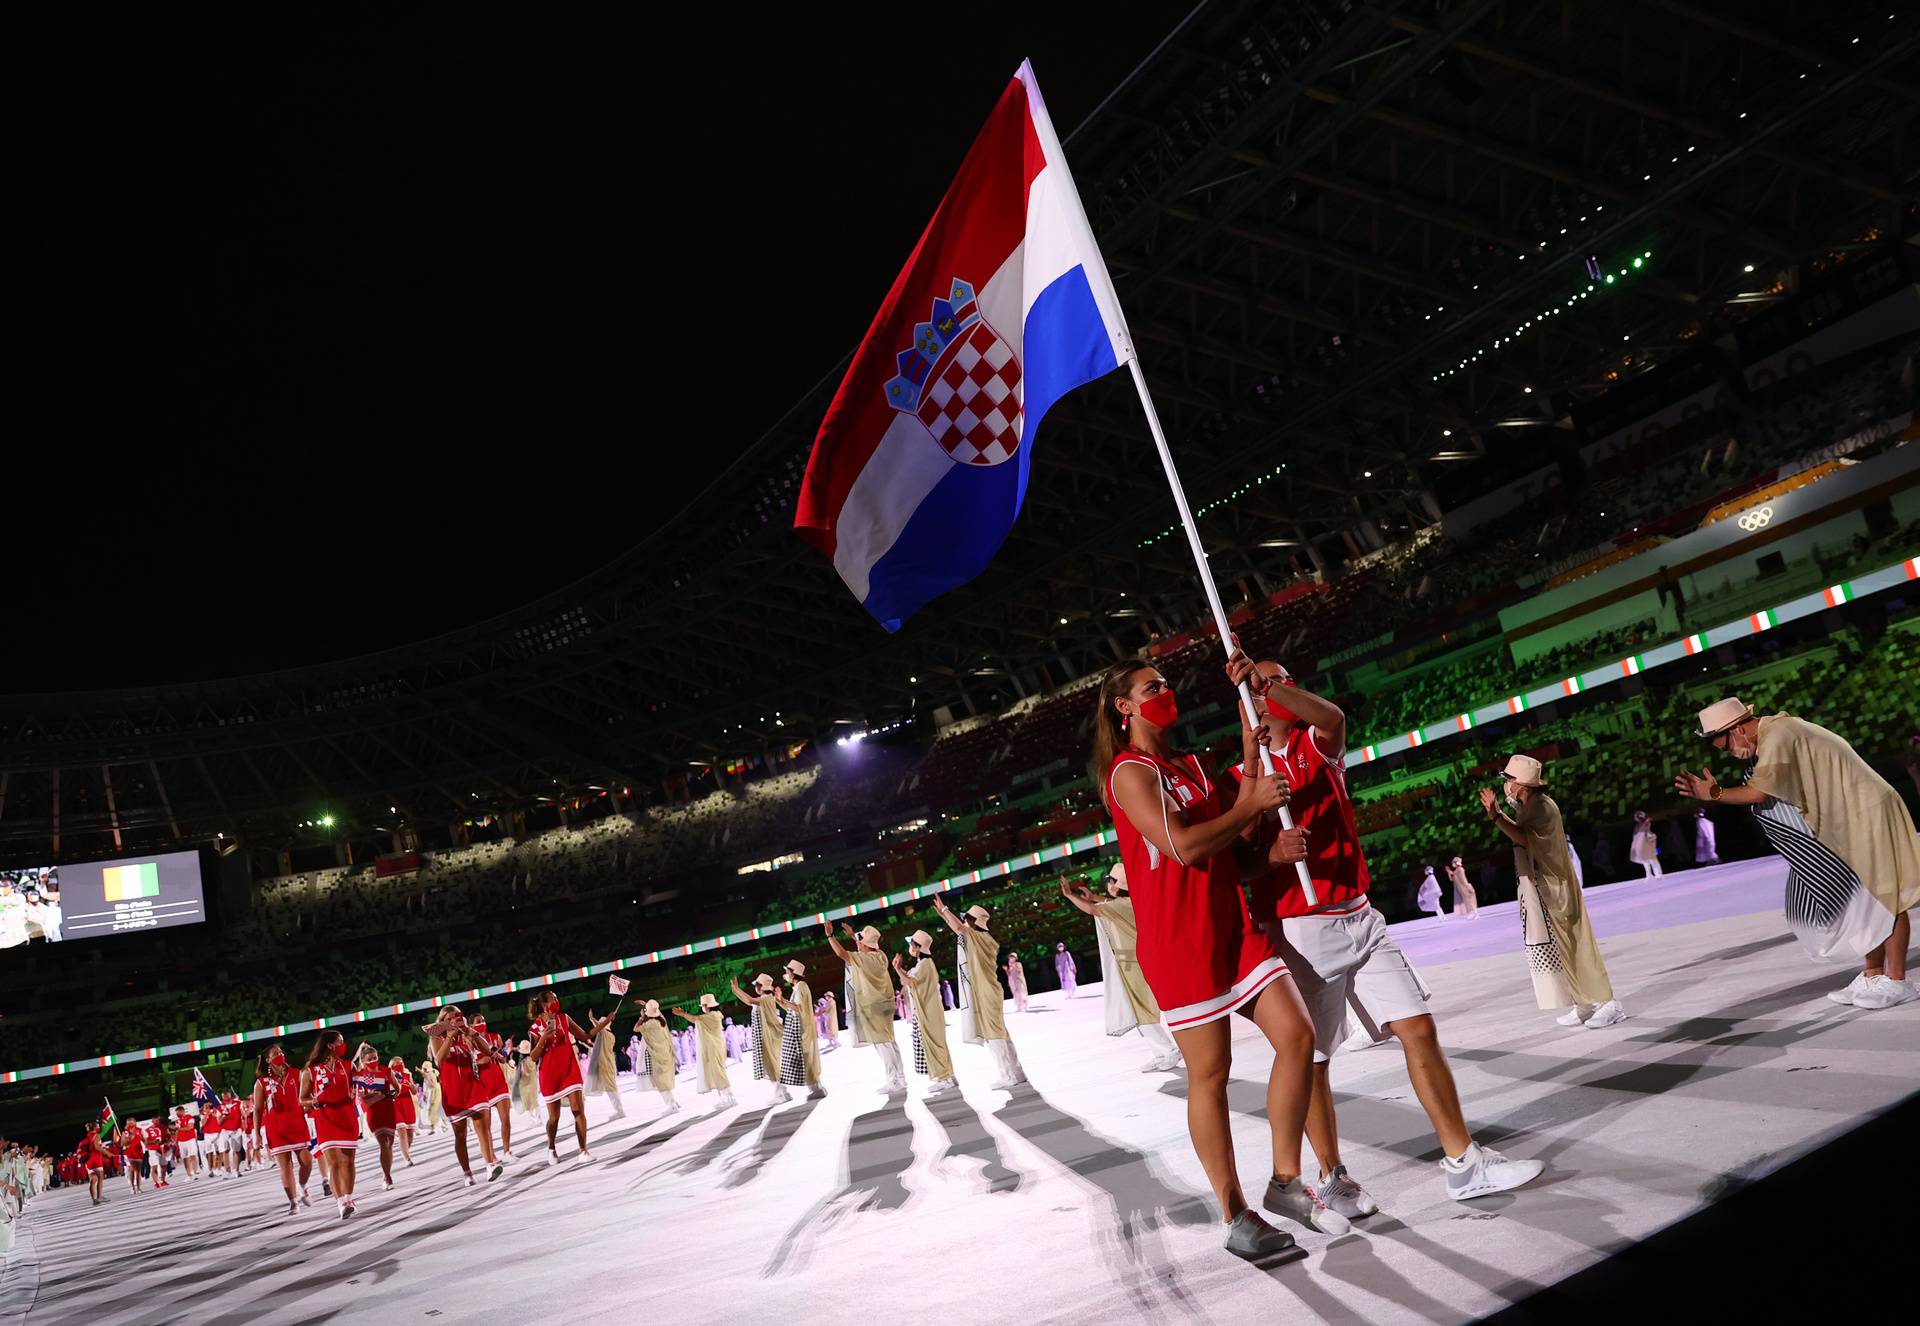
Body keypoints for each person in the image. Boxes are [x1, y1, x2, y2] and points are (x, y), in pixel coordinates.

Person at [1231, 651, 1544, 1214]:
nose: (1280, 690)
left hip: (1361, 915)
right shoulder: (1244, 777)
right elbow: (1238, 862)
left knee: (1419, 1028)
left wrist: (1266, 684)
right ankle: (1332, 1177)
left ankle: (1464, 1162)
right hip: (1301, 931)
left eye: (1283, 681)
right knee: (1314, 1061)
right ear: (1249, 702)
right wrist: (1272, 854)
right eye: (1268, 685)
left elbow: (1332, 719)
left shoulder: (1314, 747)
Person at [1090, 656, 1330, 1262]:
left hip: (1233, 926)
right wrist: (1250, 804)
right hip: (1180, 943)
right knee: (1212, 1075)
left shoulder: (1195, 764)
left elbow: (1237, 847)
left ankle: (1283, 1181)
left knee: (1298, 1038)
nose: (1166, 692)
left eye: (1167, 683)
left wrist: (1254, 784)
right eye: (1152, 688)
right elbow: (1187, 847)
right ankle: (1234, 1213)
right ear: (1125, 707)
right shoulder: (1127, 773)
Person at [1676, 697, 1918, 1009]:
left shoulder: (1777, 735)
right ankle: (1872, 975)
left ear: (1736, 729)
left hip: (1866, 807)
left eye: (1723, 744)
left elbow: (1758, 792)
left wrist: (1716, 793)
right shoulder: (1775, 733)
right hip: (1849, 813)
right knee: (1867, 896)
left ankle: (1898, 981)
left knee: (1886, 895)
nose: (1727, 752)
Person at [1481, 755, 1627, 1028]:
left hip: (1556, 883)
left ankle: (1608, 1002)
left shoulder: (1542, 808)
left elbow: (1526, 840)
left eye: (1510, 780)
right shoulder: (1529, 805)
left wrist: (1497, 817)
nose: (1506, 785)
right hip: (1543, 883)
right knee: (1562, 948)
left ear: (1523, 784)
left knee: (1578, 944)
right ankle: (1583, 1002)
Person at [1059, 868, 1183, 1071]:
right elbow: (1106, 904)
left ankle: (1167, 1051)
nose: (1108, 884)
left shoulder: (1120, 905)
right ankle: (1161, 1051)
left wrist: (1070, 895)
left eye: (1111, 880)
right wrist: (1093, 897)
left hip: (1134, 964)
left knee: (1142, 1009)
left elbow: (1094, 910)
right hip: (1135, 961)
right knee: (1140, 1009)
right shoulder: (1131, 901)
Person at [931, 896, 1027, 1089]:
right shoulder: (985, 938)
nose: (964, 921)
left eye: (967, 918)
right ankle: (1016, 1072)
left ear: (973, 922)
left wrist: (945, 910)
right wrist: (945, 915)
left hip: (986, 991)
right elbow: (960, 930)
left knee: (994, 1035)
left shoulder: (978, 937)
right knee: (1001, 1033)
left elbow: (960, 929)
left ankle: (1008, 1075)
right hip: (990, 990)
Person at [528, 993, 613, 1163]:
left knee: (578, 1111)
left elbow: (585, 1035)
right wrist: (543, 1038)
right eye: (554, 999)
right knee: (554, 1118)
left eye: (557, 998)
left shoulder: (564, 1018)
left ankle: (583, 1151)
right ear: (545, 1005)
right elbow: (533, 1056)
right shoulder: (535, 1028)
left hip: (569, 1071)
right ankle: (551, 1147)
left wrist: (604, 1022)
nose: (557, 1002)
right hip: (550, 1075)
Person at [823, 922, 906, 1094]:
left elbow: (841, 953)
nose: (858, 943)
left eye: (860, 940)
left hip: (873, 1006)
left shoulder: (864, 959)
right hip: (885, 1004)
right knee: (890, 1041)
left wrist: (830, 936)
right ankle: (900, 1077)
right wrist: (854, 936)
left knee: (882, 1043)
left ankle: (893, 1080)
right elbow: (864, 947)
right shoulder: (880, 955)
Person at [427, 1007, 505, 1184]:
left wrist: (473, 1034)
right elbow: (440, 1059)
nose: (456, 1019)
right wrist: (450, 1036)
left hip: (474, 1088)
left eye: (459, 1016)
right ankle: (467, 1172)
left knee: (483, 1129)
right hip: (454, 1092)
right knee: (460, 1135)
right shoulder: (436, 1036)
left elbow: (487, 1050)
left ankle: (490, 1164)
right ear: (443, 1021)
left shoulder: (467, 1034)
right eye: (451, 1017)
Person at [300, 1031, 359, 1218]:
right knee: (334, 1163)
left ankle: (349, 1198)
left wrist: (357, 1091)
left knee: (348, 1162)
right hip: (325, 1118)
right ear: (330, 1045)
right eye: (340, 1041)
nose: (344, 1044)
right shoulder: (311, 1071)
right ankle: (341, 1203)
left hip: (347, 1117)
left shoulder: (349, 1066)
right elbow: (302, 1099)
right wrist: (313, 1102)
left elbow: (360, 1084)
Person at [894, 929, 957, 1096]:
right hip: (928, 1009)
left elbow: (909, 982)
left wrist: (897, 968)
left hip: (928, 1011)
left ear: (918, 947)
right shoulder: (924, 964)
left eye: (912, 944)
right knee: (936, 1043)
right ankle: (947, 1075)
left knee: (933, 1043)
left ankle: (944, 1078)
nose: (910, 947)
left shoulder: (924, 965)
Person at [729, 972, 789, 1102]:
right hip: (767, 1036)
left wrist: (738, 989)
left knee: (771, 1065)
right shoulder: (764, 999)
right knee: (772, 1064)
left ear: (761, 986)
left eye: (756, 985)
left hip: (769, 1037)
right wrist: (735, 991)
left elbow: (750, 1000)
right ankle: (783, 1092)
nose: (755, 987)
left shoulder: (766, 999)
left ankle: (780, 1094)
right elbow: (749, 1002)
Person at [773, 960, 826, 1100]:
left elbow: (798, 1008)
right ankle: (816, 1087)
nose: (786, 974)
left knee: (807, 1058)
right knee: (805, 1059)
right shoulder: (797, 988)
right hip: (800, 1028)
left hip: (803, 1029)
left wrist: (782, 999)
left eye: (787, 971)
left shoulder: (801, 986)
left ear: (793, 972)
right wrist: (779, 1000)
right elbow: (793, 1011)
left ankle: (816, 1088)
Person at [351, 1044, 401, 1191]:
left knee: (389, 1144)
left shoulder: (386, 1070)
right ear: (363, 1060)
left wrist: (394, 1093)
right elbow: (360, 1097)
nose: (373, 1060)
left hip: (388, 1109)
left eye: (375, 1058)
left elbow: (397, 1087)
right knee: (383, 1144)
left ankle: (387, 1173)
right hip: (374, 1112)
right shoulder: (361, 1075)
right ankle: (387, 1176)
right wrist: (371, 1097)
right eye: (370, 1059)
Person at [671, 994, 735, 1107]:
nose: (702, 1008)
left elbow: (696, 1019)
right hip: (714, 1047)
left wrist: (683, 1014)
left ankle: (729, 1097)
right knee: (717, 1072)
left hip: (714, 1047)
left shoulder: (713, 1016)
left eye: (703, 1006)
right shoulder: (715, 1015)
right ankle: (725, 1098)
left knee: (719, 1072)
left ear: (707, 1005)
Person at [468, 1016, 517, 1159]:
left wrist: (500, 1055)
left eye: (483, 1020)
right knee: (486, 1127)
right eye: (478, 1022)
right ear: (470, 1025)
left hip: (498, 1082)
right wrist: (481, 1061)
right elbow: (469, 1065)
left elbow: (503, 1058)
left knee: (506, 1119)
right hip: (482, 1087)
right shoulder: (469, 1041)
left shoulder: (495, 1037)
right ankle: (492, 1156)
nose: (482, 1023)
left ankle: (507, 1152)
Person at [582, 1006, 627, 1119]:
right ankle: (619, 1110)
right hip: (608, 1062)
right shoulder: (609, 1034)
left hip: (606, 1064)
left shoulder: (605, 1033)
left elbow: (599, 1027)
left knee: (611, 1088)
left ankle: (620, 1111)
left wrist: (592, 1018)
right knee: (610, 1087)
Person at [635, 1000, 679, 1114]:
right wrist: (647, 1006)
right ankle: (673, 1101)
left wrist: (642, 1017)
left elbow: (635, 1028)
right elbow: (657, 1013)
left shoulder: (649, 1024)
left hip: (657, 1055)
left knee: (660, 1081)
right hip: (665, 1053)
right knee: (665, 1079)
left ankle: (672, 1105)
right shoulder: (662, 1021)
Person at [388, 1057, 418, 1167]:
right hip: (395, 1103)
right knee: (401, 1130)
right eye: (396, 1063)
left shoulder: (407, 1074)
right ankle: (407, 1157)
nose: (399, 1065)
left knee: (410, 1135)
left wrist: (411, 1085)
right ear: (391, 1065)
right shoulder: (388, 1074)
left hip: (407, 1103)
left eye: (401, 1063)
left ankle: (404, 1151)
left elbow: (414, 1092)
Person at [1629, 810, 1663, 879]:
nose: (1636, 818)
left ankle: (1658, 874)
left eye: (1637, 816)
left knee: (1652, 858)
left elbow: (1645, 830)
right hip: (1642, 842)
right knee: (1644, 859)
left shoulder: (1646, 822)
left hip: (1649, 840)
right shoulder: (1637, 825)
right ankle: (1649, 874)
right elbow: (1635, 835)